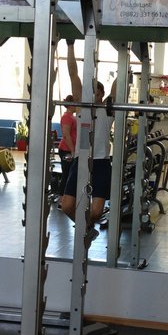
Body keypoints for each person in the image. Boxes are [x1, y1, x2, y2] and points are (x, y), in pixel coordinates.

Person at [60, 40, 117, 241]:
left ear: (101, 94)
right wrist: (70, 46)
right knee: (66, 206)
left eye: (95, 91)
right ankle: (86, 229)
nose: (91, 94)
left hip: (101, 162)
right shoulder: (81, 108)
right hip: (80, 161)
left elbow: (117, 87)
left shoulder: (108, 110)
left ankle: (87, 227)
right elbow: (73, 73)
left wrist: (124, 52)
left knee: (97, 211)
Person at [57, 95, 78, 197]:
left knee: (70, 174)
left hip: (70, 149)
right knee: (66, 175)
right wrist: (72, 150)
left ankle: (67, 198)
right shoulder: (66, 117)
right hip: (66, 150)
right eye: (75, 103)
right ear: (71, 104)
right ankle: (62, 198)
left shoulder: (72, 117)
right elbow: (66, 135)